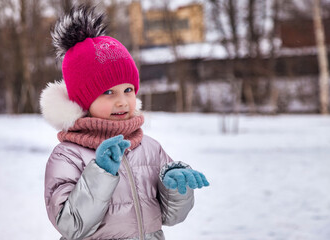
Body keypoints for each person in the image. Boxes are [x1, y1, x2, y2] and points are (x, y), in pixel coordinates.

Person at [40, 4, 209, 240]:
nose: (122, 102)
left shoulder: (150, 148)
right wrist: (100, 173)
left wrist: (174, 189)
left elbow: (172, 217)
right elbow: (71, 226)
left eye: (128, 89)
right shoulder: (68, 155)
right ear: (83, 100)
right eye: (108, 92)